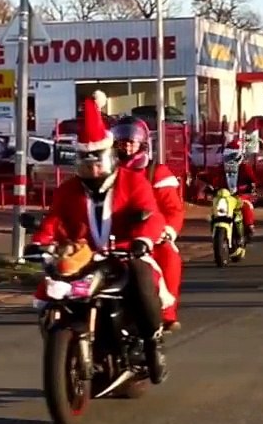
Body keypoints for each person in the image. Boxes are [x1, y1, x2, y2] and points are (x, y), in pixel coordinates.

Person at [27, 98, 176, 383]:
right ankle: (60, 346)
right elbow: (53, 220)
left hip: (125, 252)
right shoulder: (68, 190)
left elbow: (153, 216)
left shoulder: (133, 182)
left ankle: (152, 343)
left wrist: (142, 240)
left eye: (98, 160)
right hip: (84, 256)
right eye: (86, 161)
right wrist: (39, 244)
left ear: (110, 156)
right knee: (51, 290)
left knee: (144, 278)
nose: (93, 168)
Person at [111, 115, 186, 331]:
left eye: (130, 140)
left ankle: (166, 313)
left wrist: (167, 231)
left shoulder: (156, 172)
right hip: (113, 232)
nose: (125, 145)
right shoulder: (105, 172)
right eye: (121, 140)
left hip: (151, 234)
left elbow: (172, 208)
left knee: (169, 257)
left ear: (142, 143)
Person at [198, 146, 258, 242]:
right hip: (224, 195)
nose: (230, 160)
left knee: (245, 205)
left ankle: (249, 227)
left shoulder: (245, 168)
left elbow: (253, 180)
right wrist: (206, 183)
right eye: (227, 156)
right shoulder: (221, 168)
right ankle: (215, 226)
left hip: (240, 195)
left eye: (232, 156)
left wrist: (251, 188)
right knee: (215, 206)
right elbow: (211, 177)